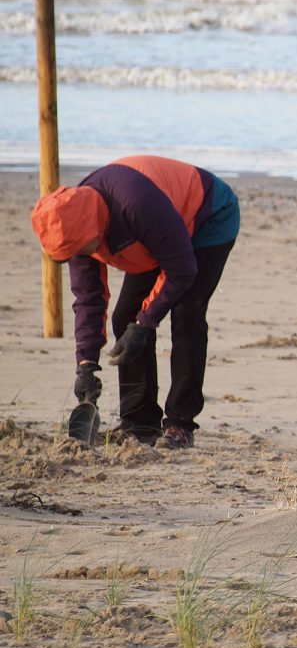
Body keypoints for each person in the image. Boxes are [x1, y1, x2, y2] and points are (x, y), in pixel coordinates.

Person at [31, 155, 240, 449]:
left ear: (93, 228)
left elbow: (182, 269)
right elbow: (89, 299)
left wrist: (145, 323)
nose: (80, 256)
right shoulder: (72, 229)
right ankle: (140, 424)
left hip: (209, 216)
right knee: (125, 319)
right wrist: (86, 364)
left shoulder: (135, 205)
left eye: (81, 249)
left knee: (186, 313)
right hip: (159, 235)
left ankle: (180, 423)